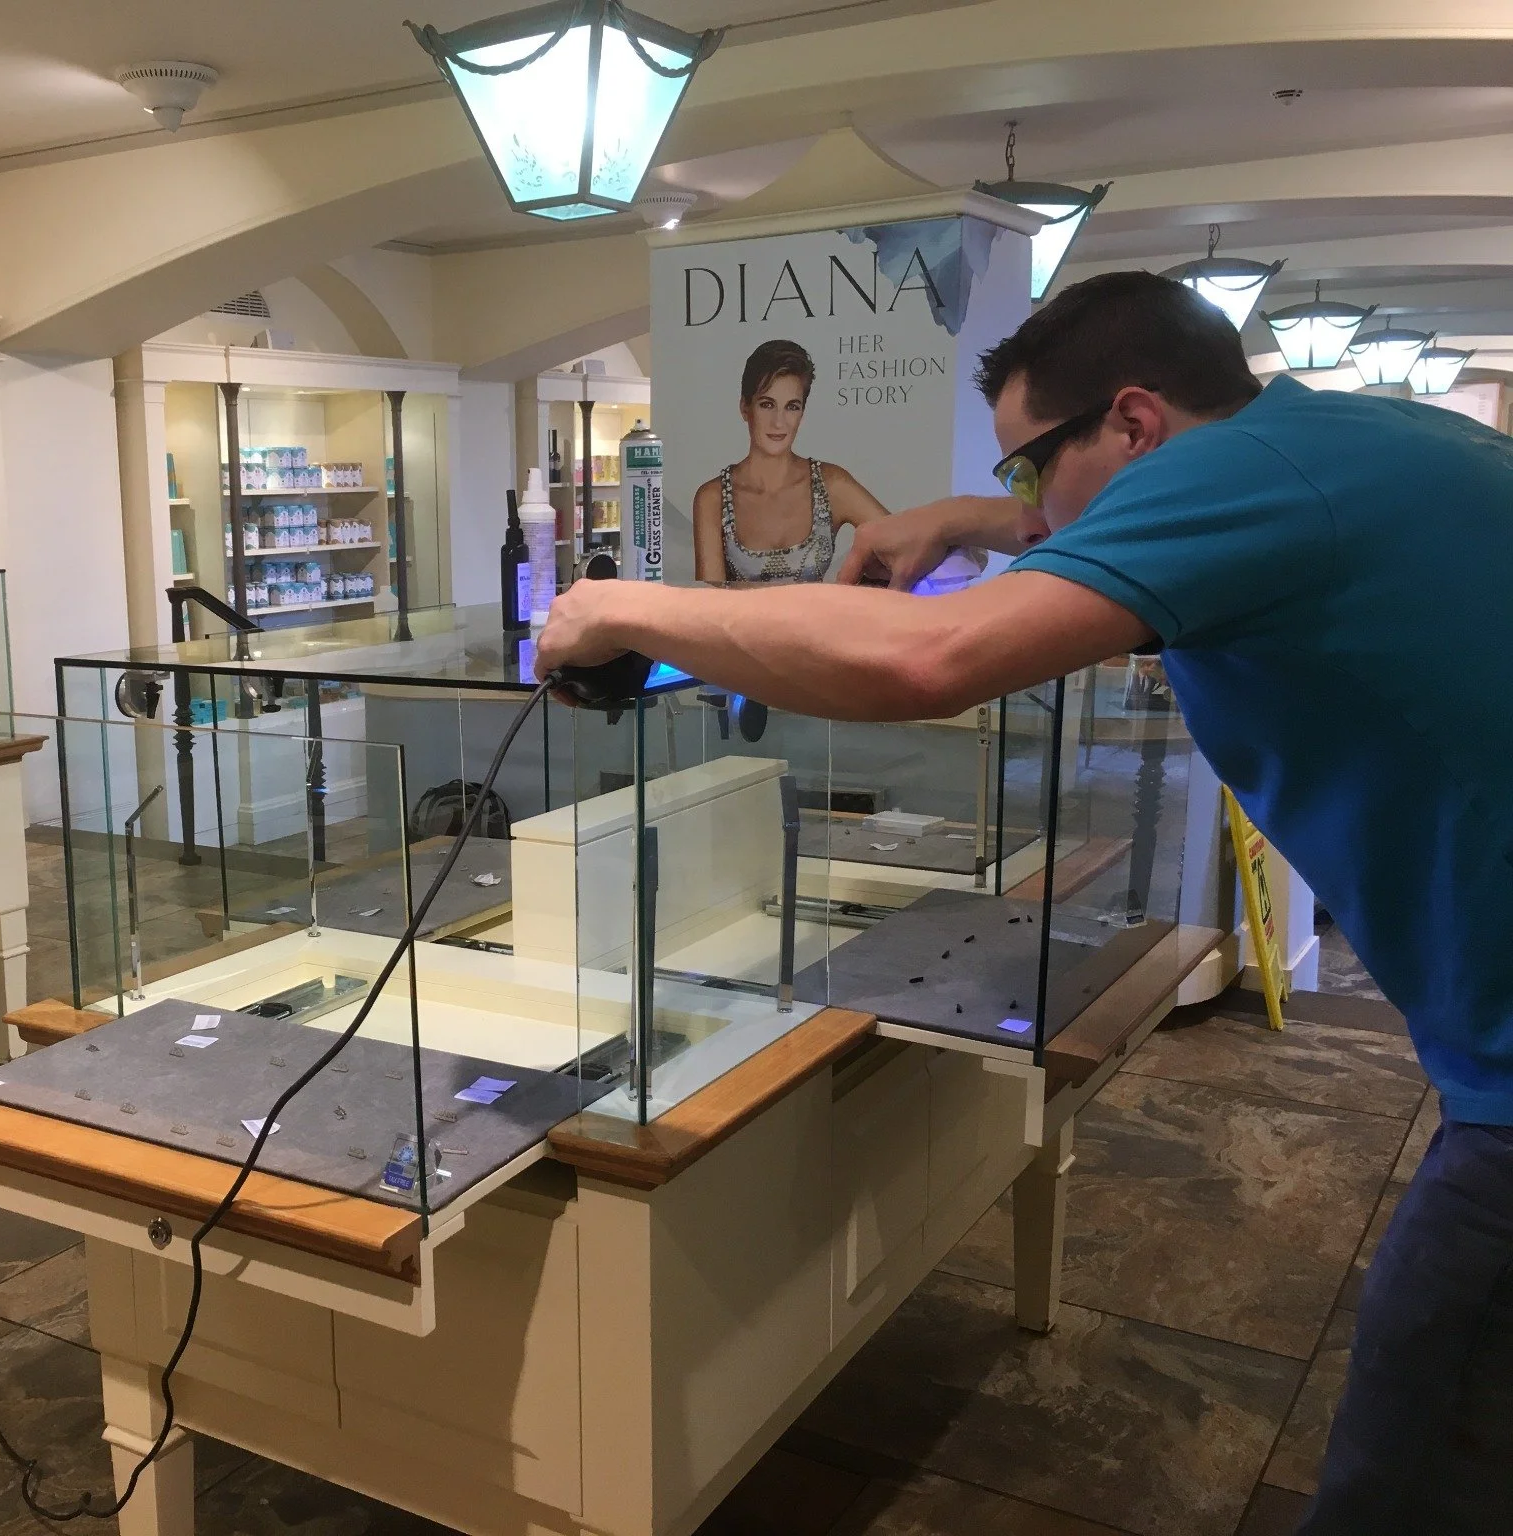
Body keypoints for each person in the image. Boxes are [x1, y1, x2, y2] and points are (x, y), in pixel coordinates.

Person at [538, 269, 1513, 1534]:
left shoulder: (1241, 482)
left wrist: (614, 605)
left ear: (1134, 421)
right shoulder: (1348, 439)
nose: (1023, 500)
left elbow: (930, 658)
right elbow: (1137, 556)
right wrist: (964, 520)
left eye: (1026, 466)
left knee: (1417, 1468)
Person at [691, 338, 891, 584]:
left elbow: (906, 545)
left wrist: (856, 594)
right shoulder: (712, 498)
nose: (779, 422)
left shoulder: (832, 485)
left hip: (819, 624)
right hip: (736, 624)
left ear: (802, 413)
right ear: (745, 407)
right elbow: (708, 607)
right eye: (767, 405)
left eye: (792, 407)